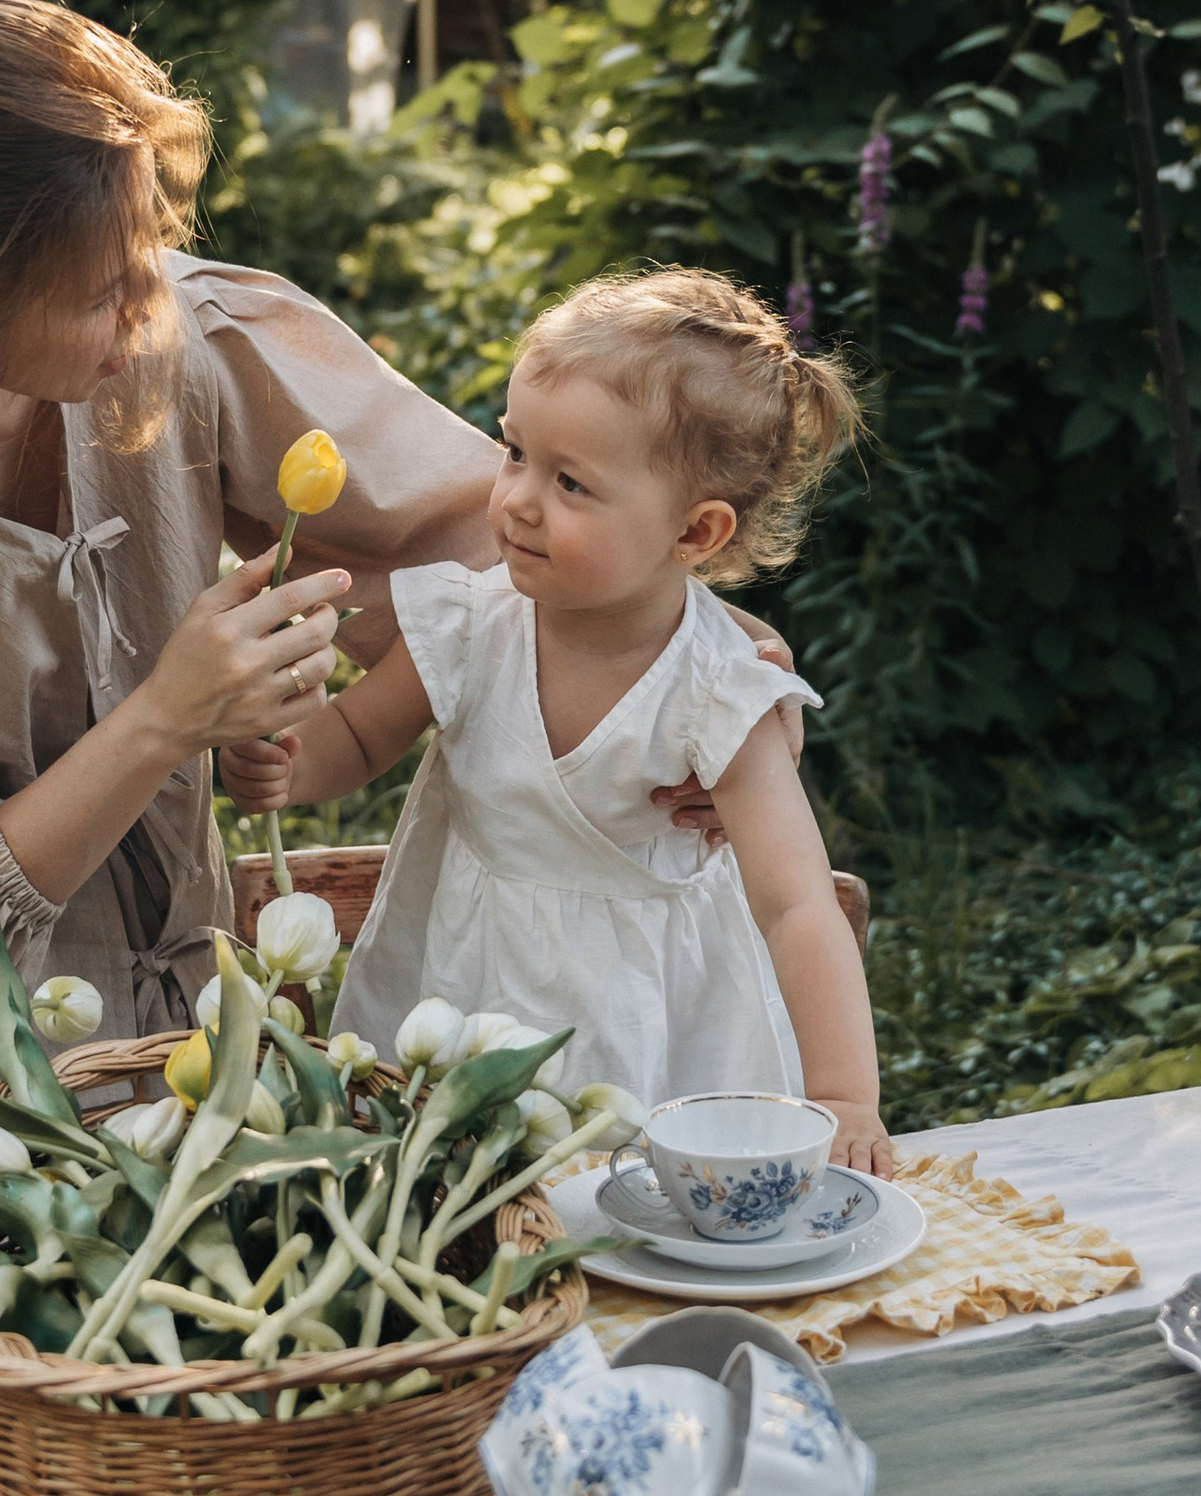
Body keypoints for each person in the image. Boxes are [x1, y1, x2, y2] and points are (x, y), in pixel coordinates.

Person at [0, 0, 794, 1309]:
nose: (150, 307)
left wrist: (688, 660)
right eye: (102, 286)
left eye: (143, 249)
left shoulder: (170, 341)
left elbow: (486, 530)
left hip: (200, 1077)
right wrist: (158, 724)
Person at [221, 266, 890, 1174]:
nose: (519, 500)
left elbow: (797, 904)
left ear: (695, 535)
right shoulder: (469, 622)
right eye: (514, 454)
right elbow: (359, 735)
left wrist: (846, 1095)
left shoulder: (719, 690)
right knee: (460, 1194)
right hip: (464, 974)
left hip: (649, 1019)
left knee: (639, 1214)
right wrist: (290, 765)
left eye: (571, 483)